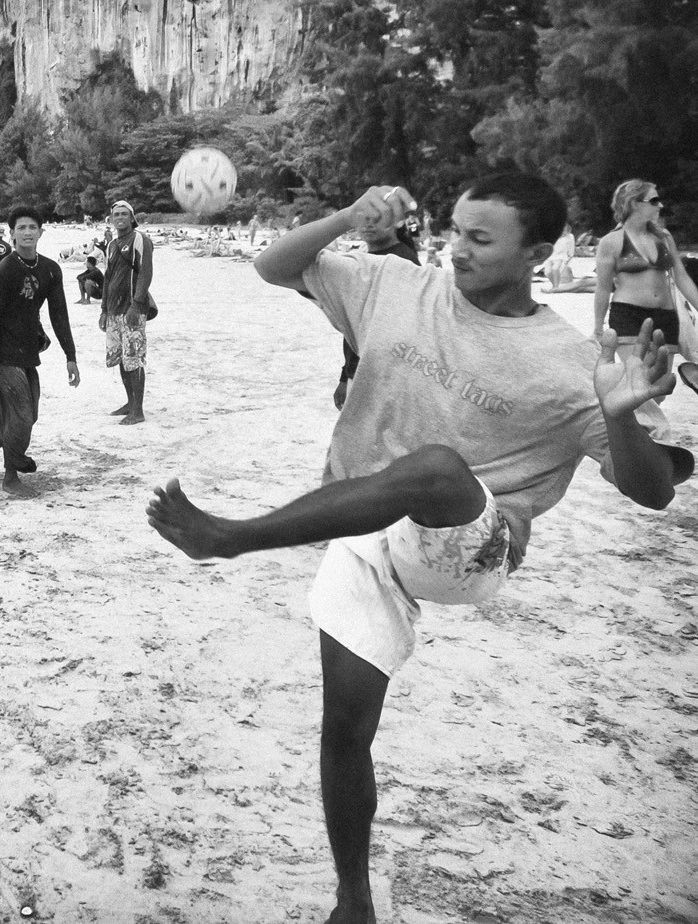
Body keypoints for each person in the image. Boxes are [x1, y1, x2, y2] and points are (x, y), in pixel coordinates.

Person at [147, 171, 693, 924]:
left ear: (537, 253)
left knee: (435, 468)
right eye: (455, 231)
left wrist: (620, 415)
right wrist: (347, 213)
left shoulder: (570, 363)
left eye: (480, 238)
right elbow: (273, 265)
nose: (458, 249)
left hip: (472, 544)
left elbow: (654, 490)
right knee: (345, 728)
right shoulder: (395, 285)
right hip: (366, 527)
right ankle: (354, 901)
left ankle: (232, 537)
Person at [0, 208, 79, 496]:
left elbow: (59, 315)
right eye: (21, 228)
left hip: (28, 351)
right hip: (3, 353)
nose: (27, 232)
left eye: (32, 227)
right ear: (12, 233)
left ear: (41, 232)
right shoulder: (5, 270)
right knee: (21, 417)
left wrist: (70, 356)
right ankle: (11, 476)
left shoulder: (50, 269)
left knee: (27, 415)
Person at [593, 181, 698, 393]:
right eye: (654, 200)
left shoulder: (663, 237)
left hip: (666, 317)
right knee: (638, 383)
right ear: (634, 203)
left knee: (659, 388)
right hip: (628, 316)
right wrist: (597, 328)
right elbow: (603, 288)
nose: (660, 205)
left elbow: (681, 277)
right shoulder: (611, 241)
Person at [334, 220, 418, 408]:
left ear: (396, 220)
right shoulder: (365, 258)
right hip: (360, 370)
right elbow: (356, 325)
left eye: (378, 218)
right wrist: (345, 376)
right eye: (363, 217)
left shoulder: (402, 262)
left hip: (381, 377)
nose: (368, 224)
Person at [100, 200, 154, 424]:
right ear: (111, 219)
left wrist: (136, 304)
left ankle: (138, 410)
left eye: (124, 214)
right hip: (114, 310)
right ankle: (130, 402)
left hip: (132, 309)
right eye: (116, 214)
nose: (120, 217)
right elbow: (108, 277)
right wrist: (104, 309)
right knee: (122, 357)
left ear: (132, 218)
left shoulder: (140, 239)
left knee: (134, 357)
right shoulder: (112, 245)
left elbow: (145, 272)